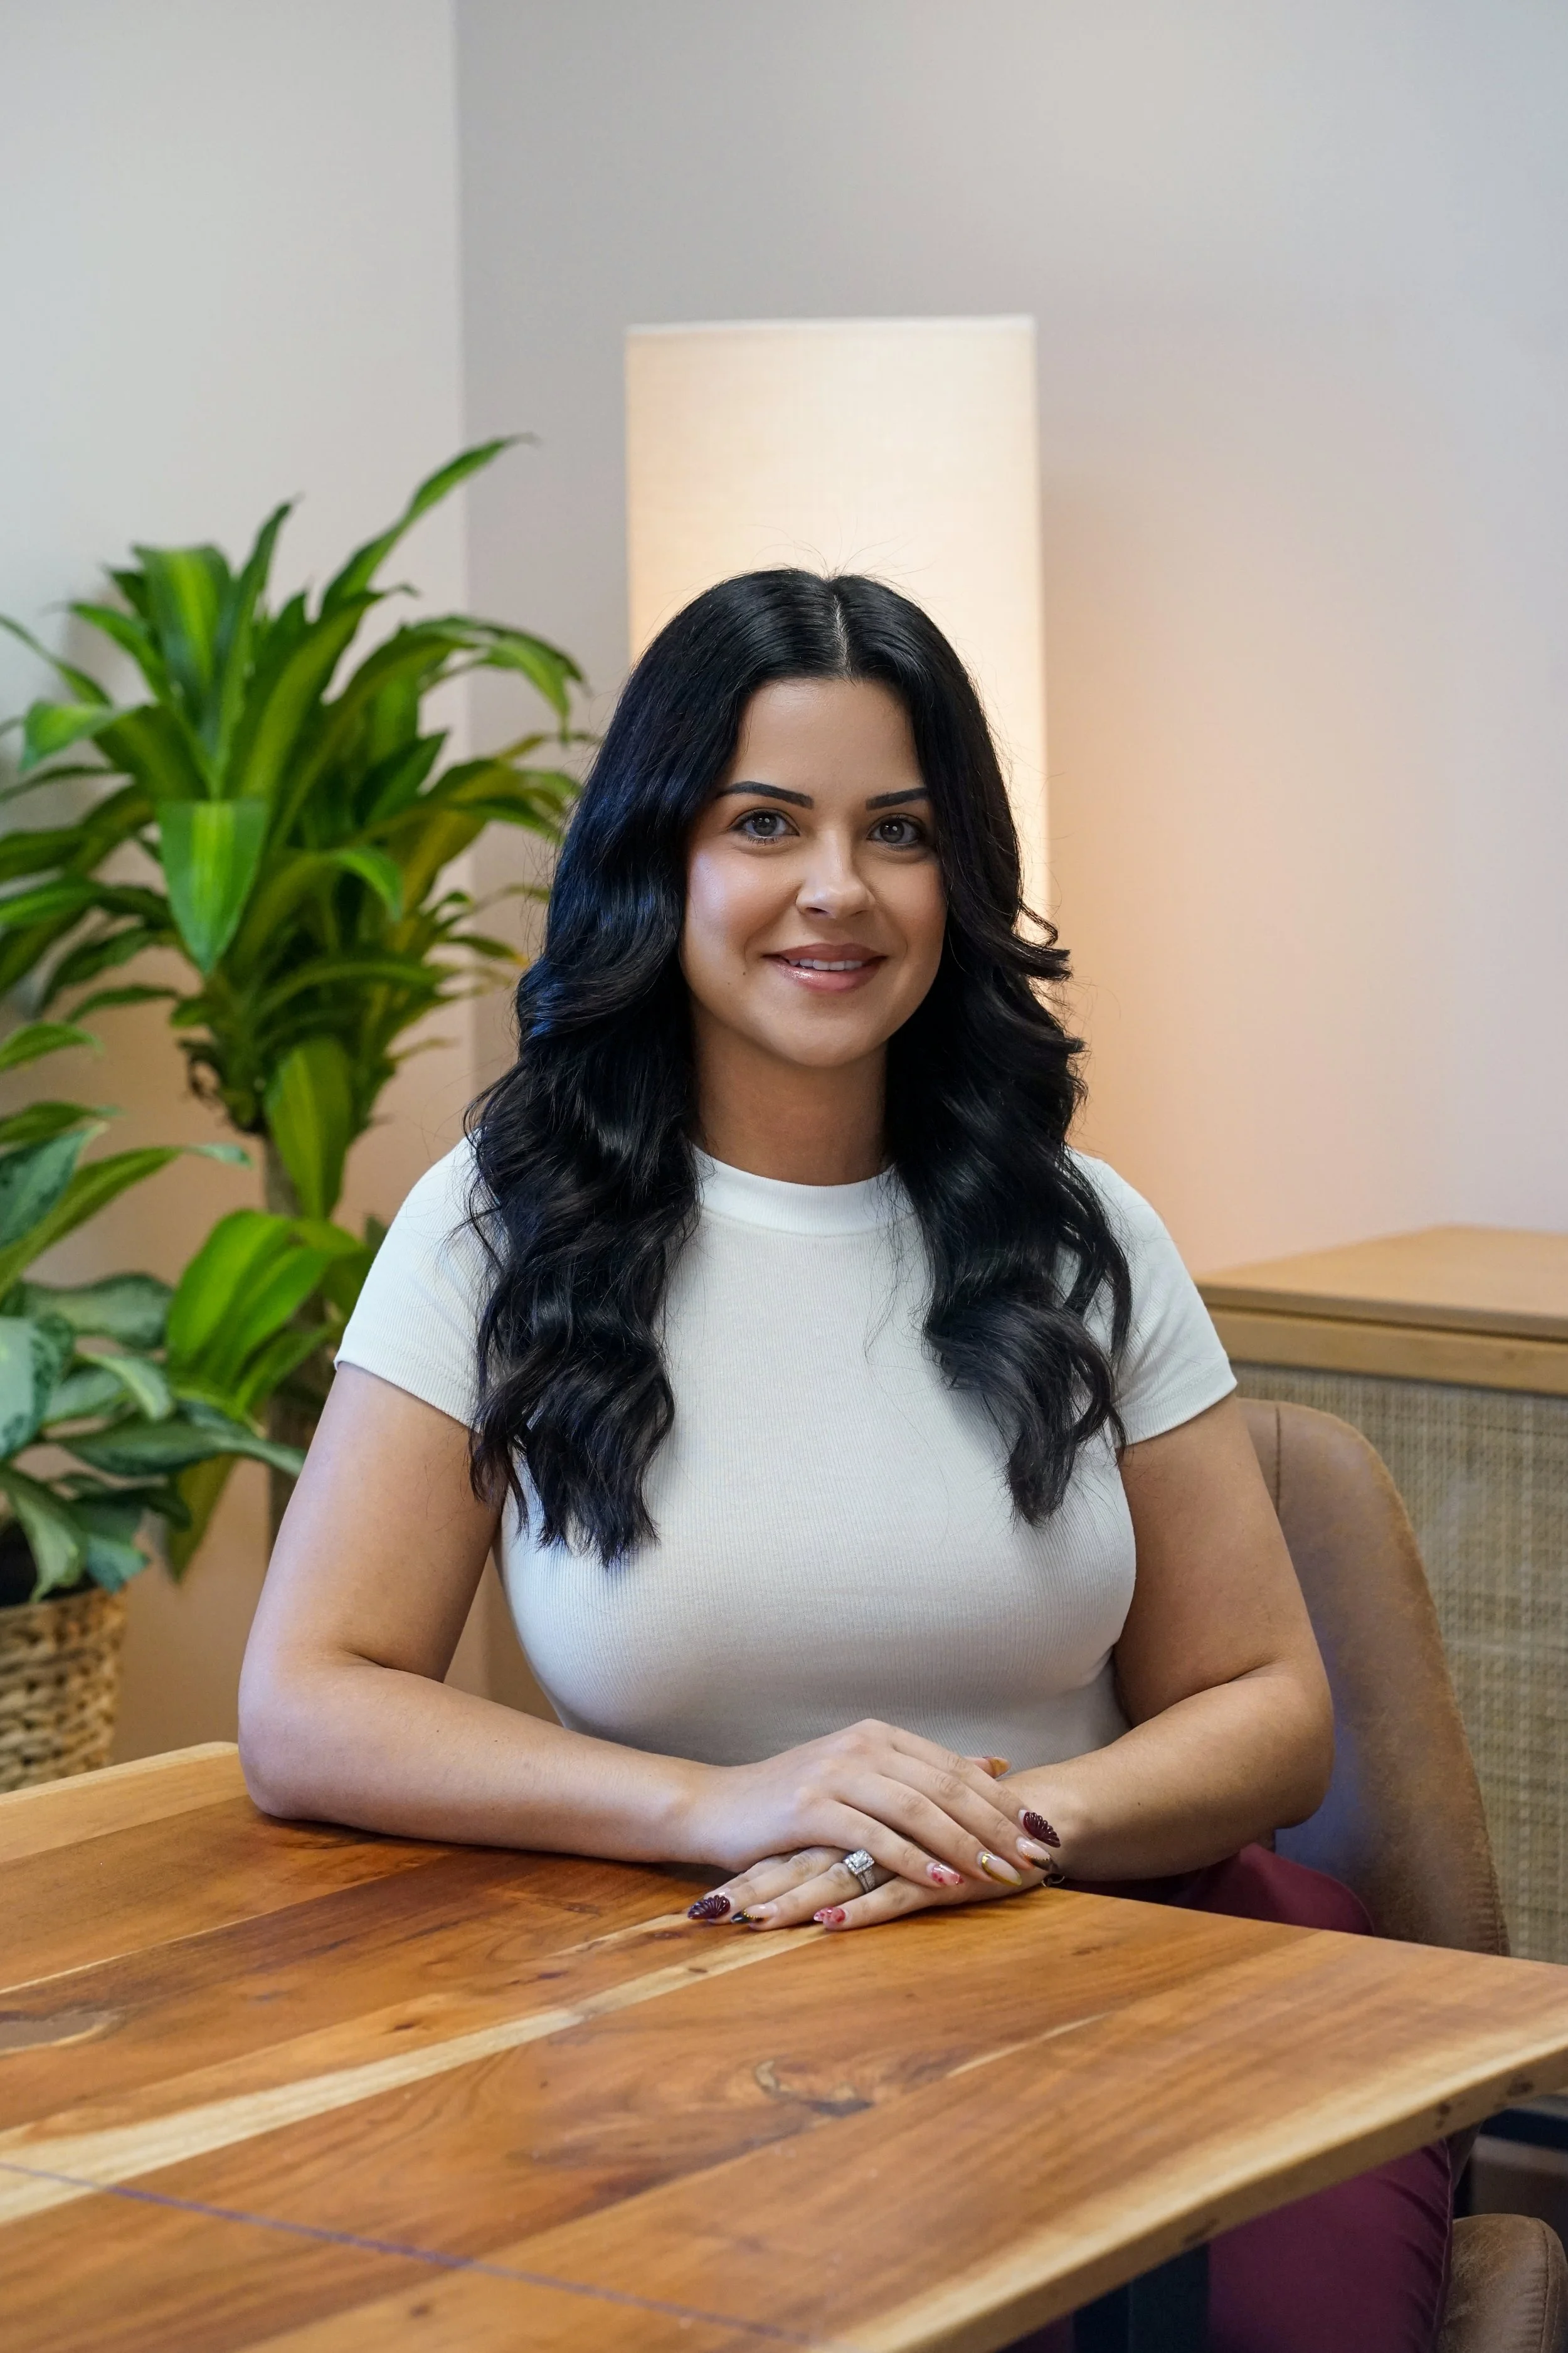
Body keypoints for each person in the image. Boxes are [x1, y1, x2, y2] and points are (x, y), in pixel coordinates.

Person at [239, 570, 1450, 2353]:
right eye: (764, 824)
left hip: (1144, 1963)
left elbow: (1267, 1706)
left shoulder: (1080, 1228)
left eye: (898, 830)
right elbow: (307, 1701)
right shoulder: (501, 1226)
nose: (838, 887)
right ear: (658, 859)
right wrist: (717, 1804)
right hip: (695, 1996)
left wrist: (998, 1831)